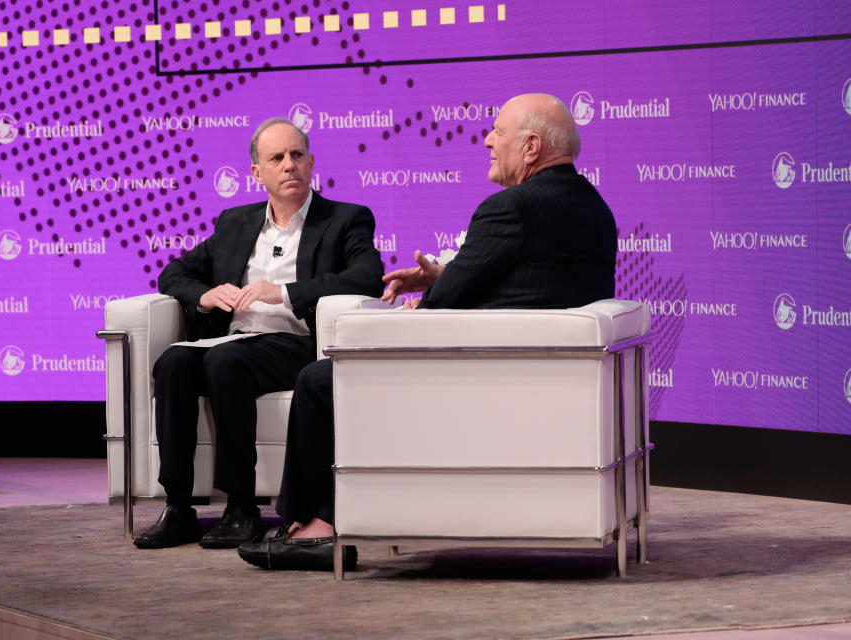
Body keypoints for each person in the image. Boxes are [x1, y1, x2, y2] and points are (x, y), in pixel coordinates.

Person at [237, 93, 617, 570]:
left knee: (319, 379)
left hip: (477, 379)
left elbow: (442, 308)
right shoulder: (593, 206)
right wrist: (445, 277)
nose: (487, 140)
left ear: (532, 147)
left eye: (497, 131)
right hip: (536, 376)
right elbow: (530, 284)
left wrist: (422, 302)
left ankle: (316, 528)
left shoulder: (510, 208)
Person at [133, 118, 384, 549]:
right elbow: (173, 272)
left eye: (297, 155)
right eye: (277, 158)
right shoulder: (236, 222)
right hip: (234, 339)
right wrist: (206, 295)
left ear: (311, 163)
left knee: (224, 362)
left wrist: (284, 292)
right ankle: (178, 506)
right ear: (257, 173)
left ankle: (241, 507)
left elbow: (367, 277)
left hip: (295, 343)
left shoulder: (344, 219)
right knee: (173, 362)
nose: (290, 165)